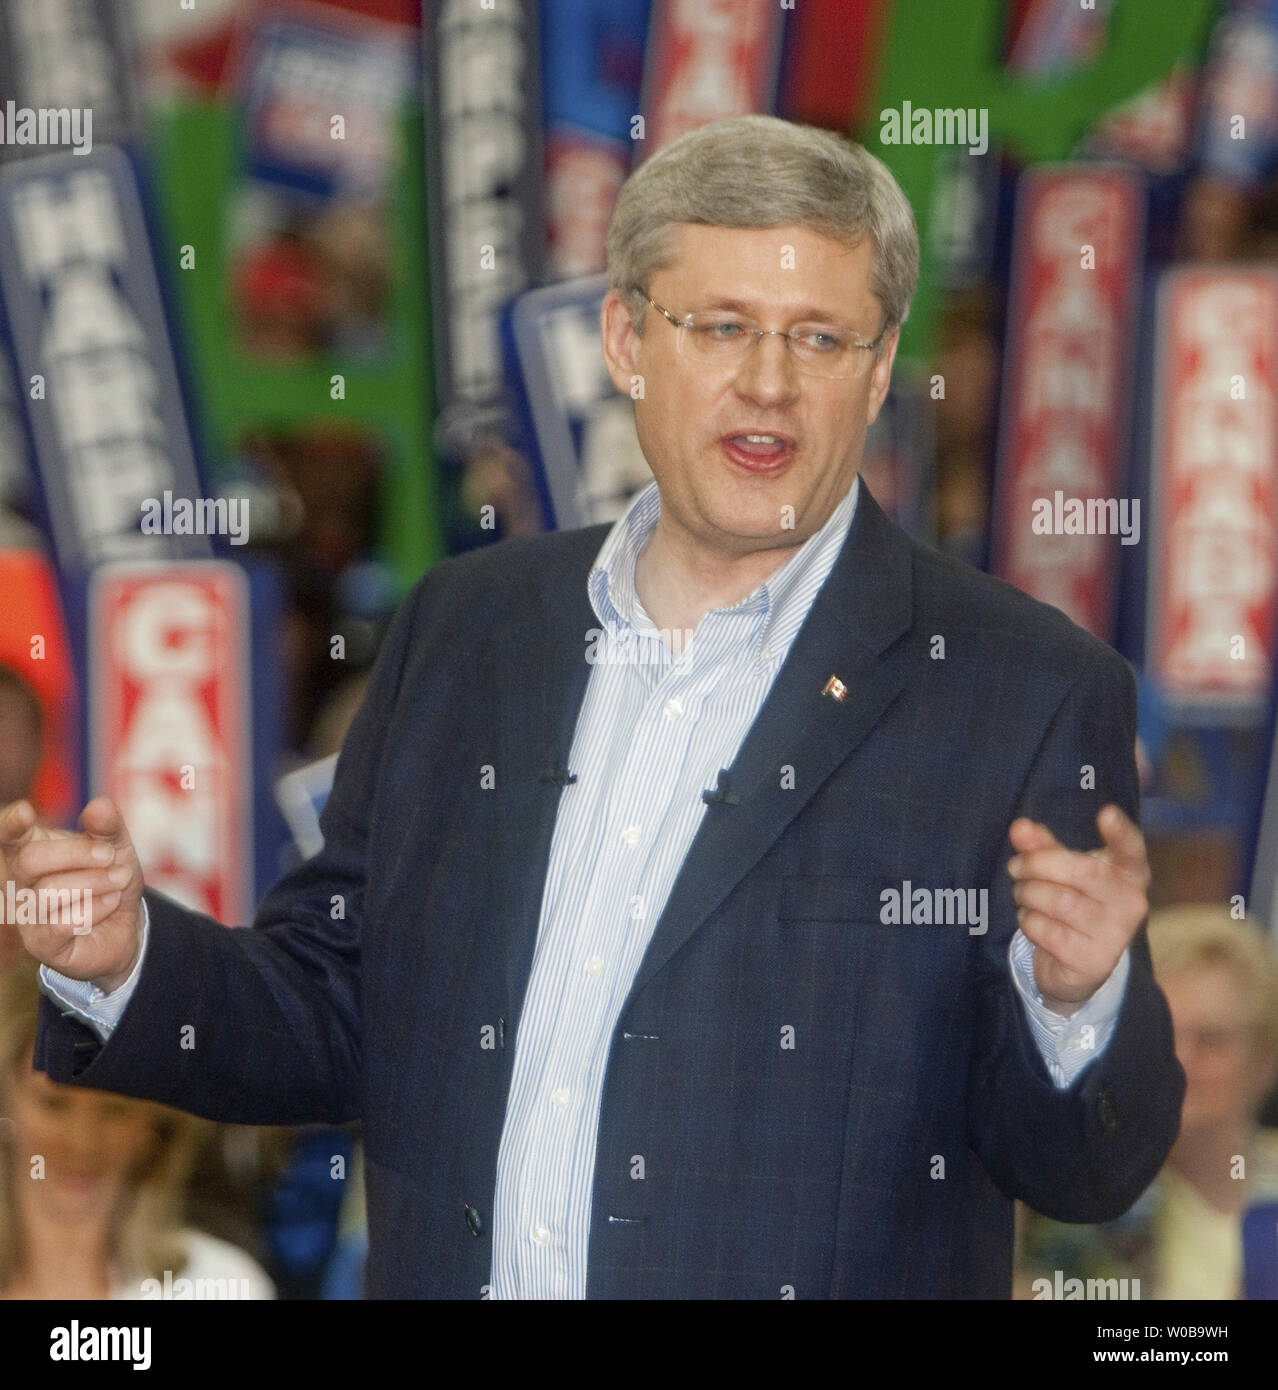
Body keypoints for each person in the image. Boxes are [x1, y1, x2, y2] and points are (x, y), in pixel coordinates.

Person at [6, 115, 1182, 1299]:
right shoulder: (471, 630)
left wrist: (1078, 1000)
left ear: (878, 372)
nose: (768, 383)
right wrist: (130, 958)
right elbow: (335, 1005)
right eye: (721, 326)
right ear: (626, 338)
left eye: (819, 338)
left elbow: (1087, 1173)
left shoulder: (1019, 691)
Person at [1017, 905, 1278, 1299]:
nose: (1181, 1059)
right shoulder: (1068, 1200)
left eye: (1211, 1040)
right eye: (1162, 1033)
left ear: (1266, 1059)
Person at [0, 955, 273, 1300]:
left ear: (156, 1124)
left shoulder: (219, 1286)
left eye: (116, 1111)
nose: (83, 1143)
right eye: (54, 1105)